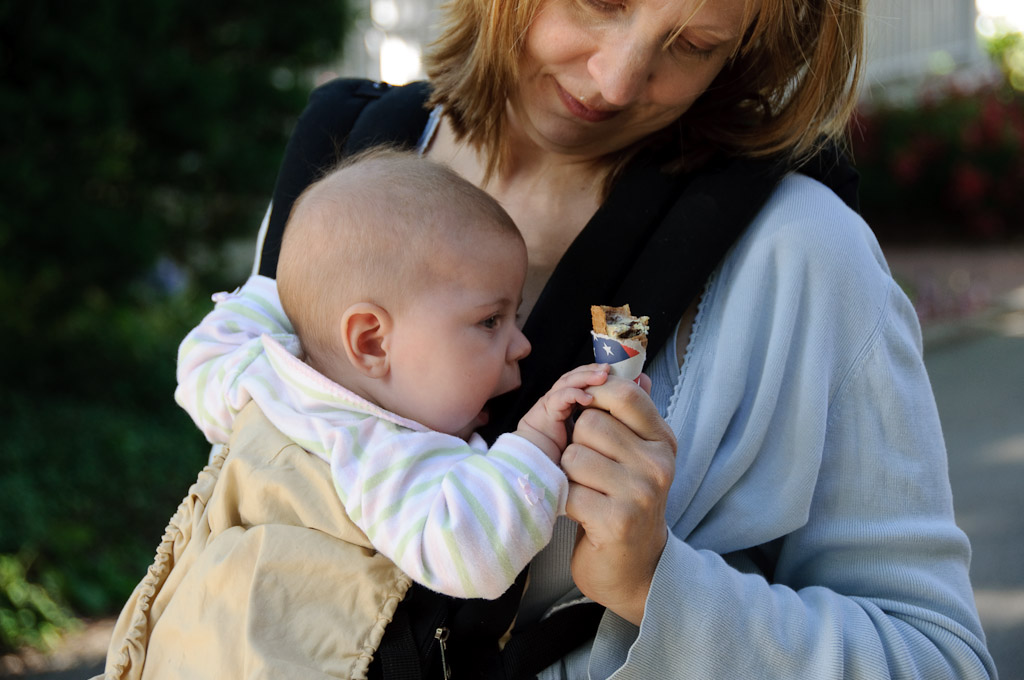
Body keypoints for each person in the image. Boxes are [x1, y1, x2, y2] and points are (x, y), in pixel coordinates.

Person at [245, 0, 999, 676]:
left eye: (695, 45)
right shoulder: (343, 165)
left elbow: (936, 657)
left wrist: (658, 586)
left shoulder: (800, 253)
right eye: (600, 1)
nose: (615, 80)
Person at [98, 150, 618, 679]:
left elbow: (202, 353)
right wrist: (534, 444)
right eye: (491, 321)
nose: (522, 345)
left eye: (516, 318)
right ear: (369, 340)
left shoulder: (262, 376)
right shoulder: (384, 452)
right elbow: (471, 556)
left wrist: (303, 296)